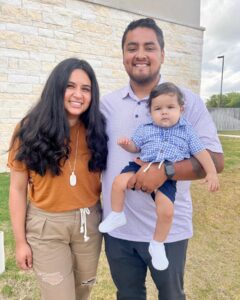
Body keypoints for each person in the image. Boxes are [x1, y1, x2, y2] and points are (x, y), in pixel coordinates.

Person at [100, 18, 224, 300]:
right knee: (128, 295)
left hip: (170, 231)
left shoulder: (186, 102)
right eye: (132, 47)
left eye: (149, 47)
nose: (140, 54)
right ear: (123, 56)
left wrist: (165, 171)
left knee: (171, 296)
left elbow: (215, 160)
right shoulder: (106, 104)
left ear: (162, 55)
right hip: (119, 234)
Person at [8, 58, 108, 300]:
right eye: (70, 86)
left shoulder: (98, 130)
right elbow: (17, 190)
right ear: (56, 88)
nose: (78, 95)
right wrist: (20, 241)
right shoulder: (28, 130)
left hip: (88, 225)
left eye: (86, 89)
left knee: (82, 291)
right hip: (46, 228)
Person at [99, 82, 219, 271]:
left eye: (170, 107)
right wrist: (126, 145)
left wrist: (211, 172)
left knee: (166, 211)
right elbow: (135, 146)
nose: (164, 112)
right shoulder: (146, 128)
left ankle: (157, 243)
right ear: (151, 112)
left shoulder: (186, 131)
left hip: (167, 175)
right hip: (140, 165)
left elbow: (202, 152)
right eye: (158, 108)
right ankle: (117, 214)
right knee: (118, 182)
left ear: (181, 108)